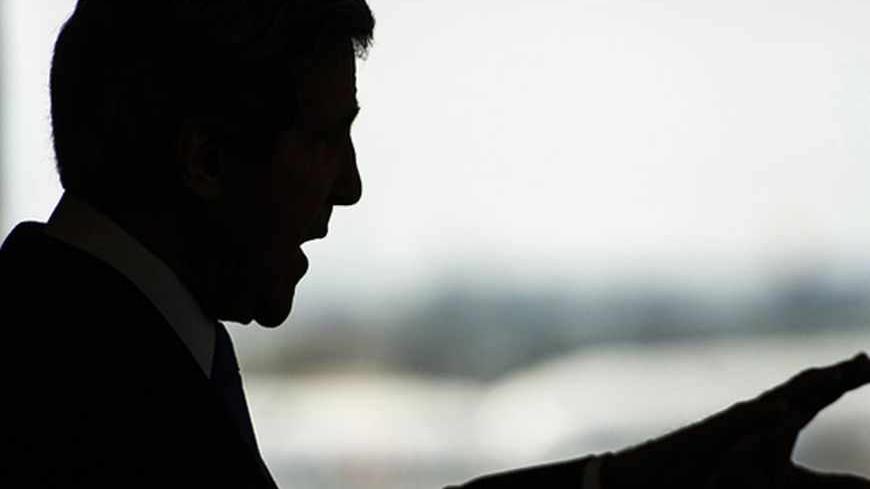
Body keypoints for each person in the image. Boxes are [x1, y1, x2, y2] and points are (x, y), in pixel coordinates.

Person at [0, 0, 868, 487]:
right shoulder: (74, 395)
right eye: (324, 138)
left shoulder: (110, 341)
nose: (349, 184)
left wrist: (619, 485)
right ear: (206, 160)